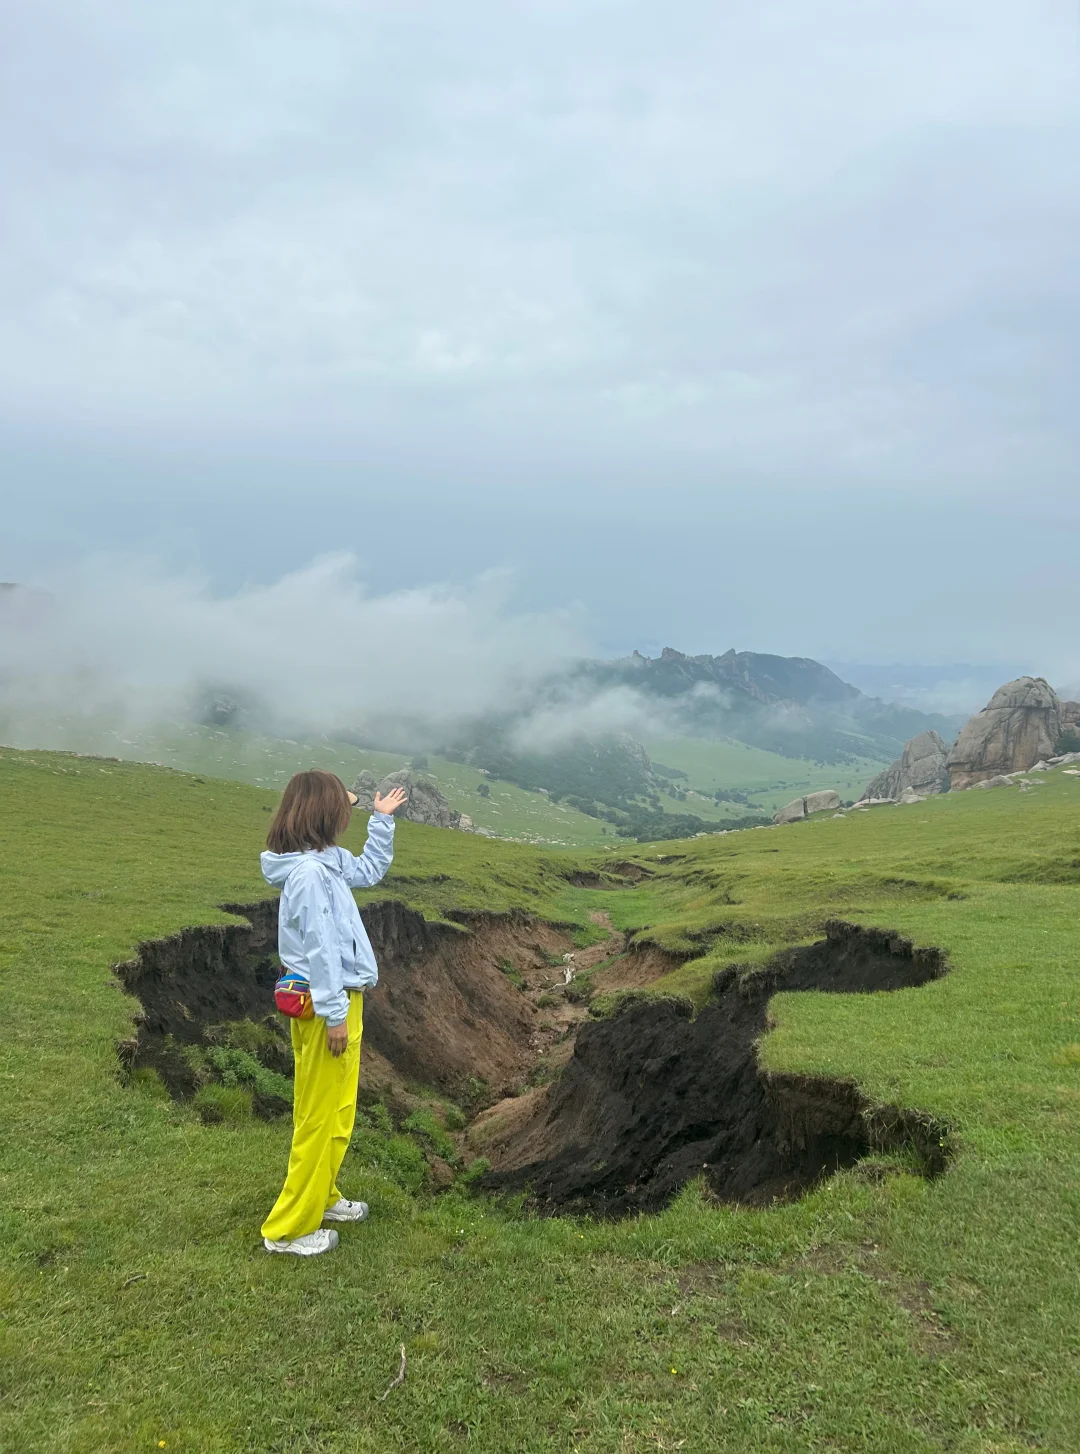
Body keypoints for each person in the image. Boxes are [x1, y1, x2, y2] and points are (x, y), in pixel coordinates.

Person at [259, 770, 407, 1256]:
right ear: (322, 813)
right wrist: (334, 1013)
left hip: (342, 1000)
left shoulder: (325, 861)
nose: (348, 812)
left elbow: (368, 871)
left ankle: (322, 1196)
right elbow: (320, 950)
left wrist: (380, 822)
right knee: (319, 1116)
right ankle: (288, 1229)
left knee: (338, 1110)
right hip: (328, 1006)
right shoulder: (307, 876)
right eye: (342, 806)